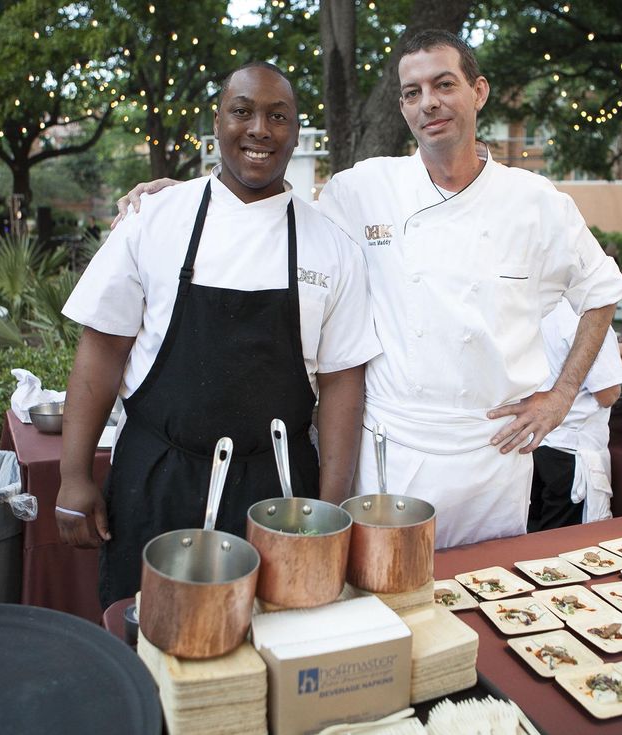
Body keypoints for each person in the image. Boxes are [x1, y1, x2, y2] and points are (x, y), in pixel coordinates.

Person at [115, 31, 622, 549]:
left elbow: (600, 291)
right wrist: (194, 197)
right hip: (390, 455)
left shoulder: (537, 202)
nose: (428, 103)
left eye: (444, 85)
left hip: (493, 456)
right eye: (412, 92)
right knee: (384, 591)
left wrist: (561, 397)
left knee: (485, 588)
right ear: (403, 107)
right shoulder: (364, 189)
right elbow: (274, 216)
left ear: (479, 92)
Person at [57, 62, 380, 607]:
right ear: (217, 122)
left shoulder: (332, 247)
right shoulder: (155, 218)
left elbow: (342, 385)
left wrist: (326, 512)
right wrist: (74, 475)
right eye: (242, 111)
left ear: (296, 131)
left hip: (278, 491)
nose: (259, 129)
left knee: (275, 637)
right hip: (155, 479)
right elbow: (102, 349)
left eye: (278, 116)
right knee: (149, 636)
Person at [528, 299, 622, 532]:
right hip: (571, 451)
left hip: (537, 444)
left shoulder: (543, 303)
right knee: (565, 544)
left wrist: (610, 350)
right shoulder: (591, 316)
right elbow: (608, 394)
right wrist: (610, 359)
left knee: (534, 537)